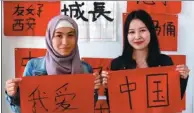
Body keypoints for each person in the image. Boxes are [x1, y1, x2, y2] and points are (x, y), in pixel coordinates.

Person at [5, 15, 101, 113]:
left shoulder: (85, 68)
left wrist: (94, 91)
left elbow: (87, 107)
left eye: (70, 35)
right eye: (59, 35)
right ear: (50, 37)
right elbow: (21, 110)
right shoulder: (34, 66)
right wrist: (14, 95)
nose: (65, 42)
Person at [102, 9, 190, 105]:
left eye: (142, 30)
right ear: (126, 35)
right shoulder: (117, 64)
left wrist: (182, 78)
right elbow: (114, 105)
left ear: (151, 32)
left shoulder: (165, 61)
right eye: (131, 32)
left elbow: (173, 101)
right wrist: (107, 87)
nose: (137, 36)